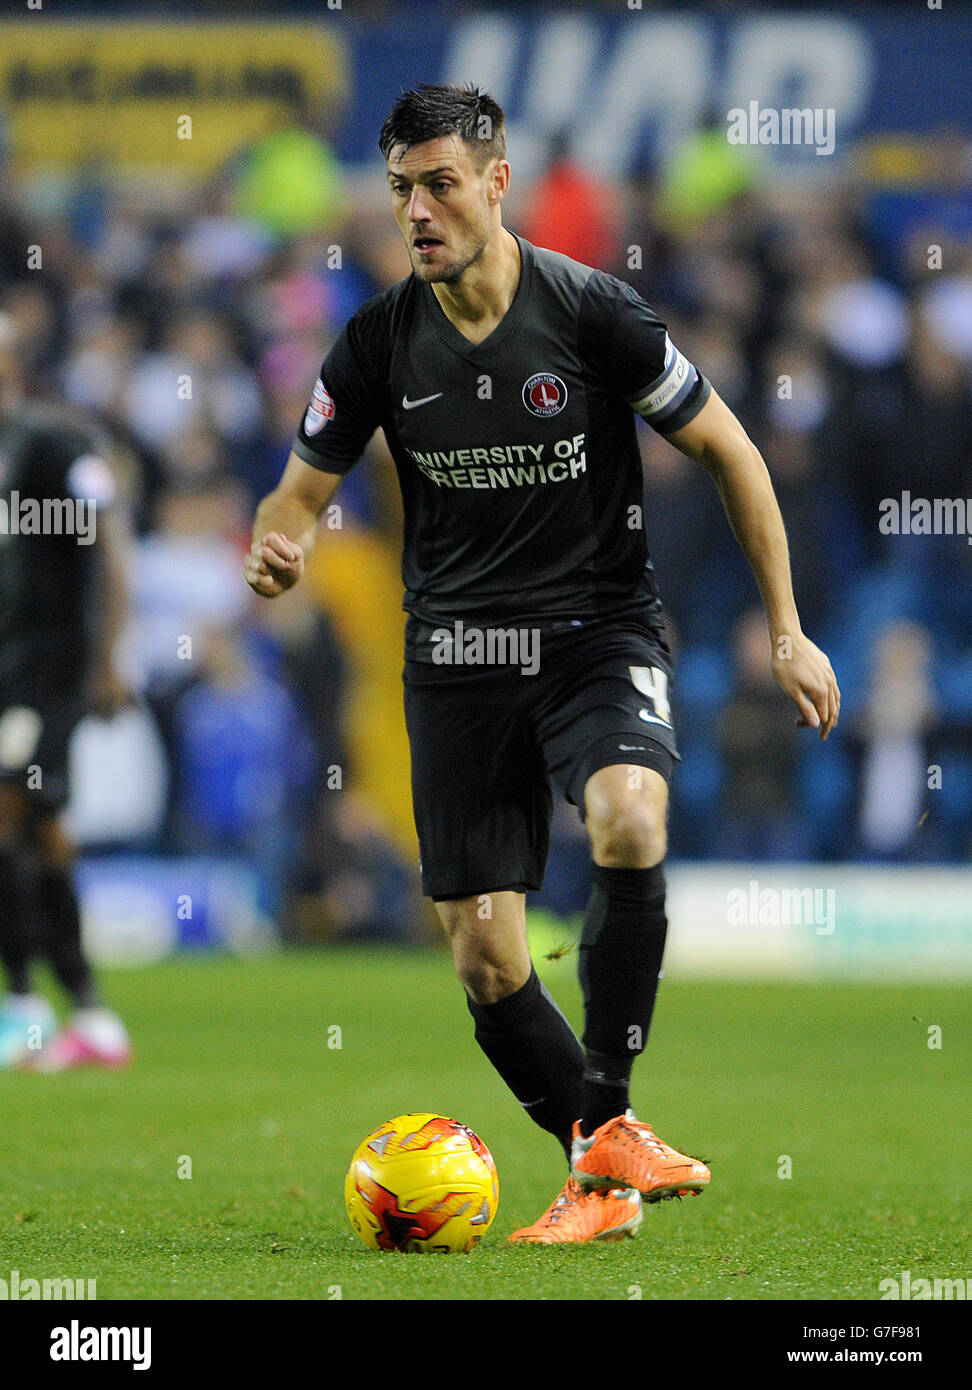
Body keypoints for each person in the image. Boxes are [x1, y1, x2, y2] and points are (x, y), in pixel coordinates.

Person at [244, 85, 840, 1243]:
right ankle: (601, 1179)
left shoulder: (591, 312)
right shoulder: (375, 342)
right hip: (457, 654)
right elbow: (298, 483)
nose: (417, 210)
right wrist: (282, 539)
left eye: (440, 185)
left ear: (497, 182)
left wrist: (786, 626)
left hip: (594, 630)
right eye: (401, 189)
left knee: (628, 816)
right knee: (483, 955)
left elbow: (730, 448)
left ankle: (609, 1120)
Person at [0, 348, 133, 1071]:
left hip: (44, 673)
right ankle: (87, 1012)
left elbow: (109, 544)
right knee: (45, 828)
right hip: (5, 675)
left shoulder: (50, 442)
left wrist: (108, 658)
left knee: (12, 814)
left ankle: (23, 1006)